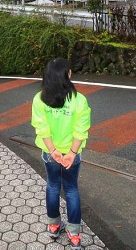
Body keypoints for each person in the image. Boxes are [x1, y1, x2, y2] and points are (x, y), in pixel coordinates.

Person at [31, 57, 91, 250]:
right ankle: (74, 235)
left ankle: (54, 226)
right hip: (71, 153)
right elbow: (81, 130)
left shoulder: (40, 99)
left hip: (51, 153)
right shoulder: (79, 100)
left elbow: (42, 129)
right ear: (69, 75)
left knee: (53, 186)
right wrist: (71, 153)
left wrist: (54, 151)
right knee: (71, 189)